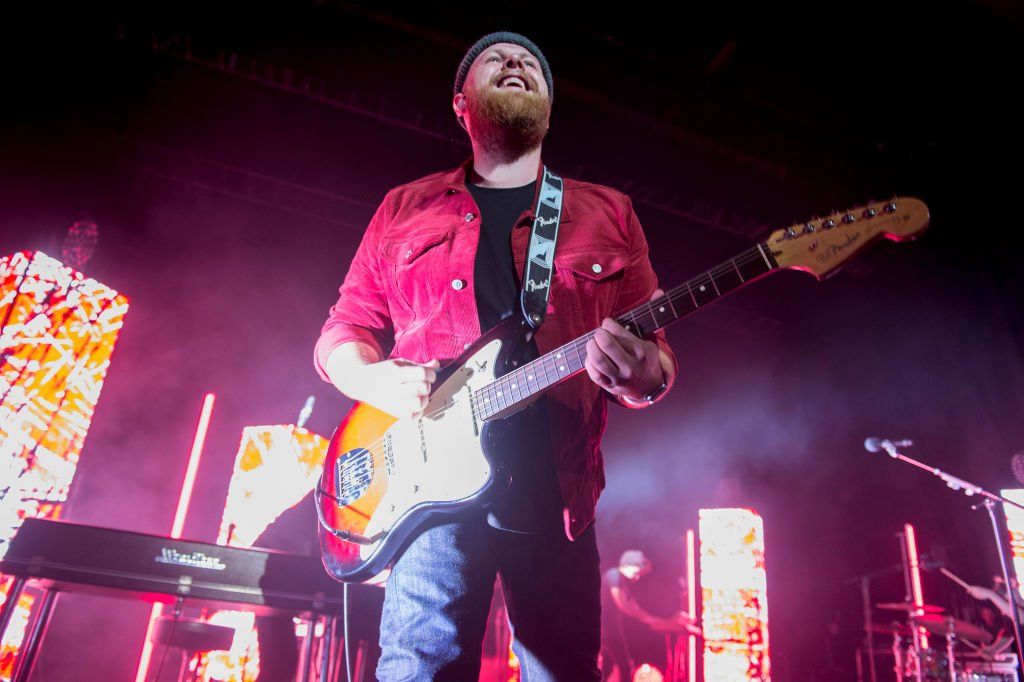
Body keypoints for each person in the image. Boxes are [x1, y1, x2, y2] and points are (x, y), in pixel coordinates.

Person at [314, 31, 677, 680]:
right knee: (419, 670)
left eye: (531, 62)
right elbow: (345, 329)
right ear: (462, 105)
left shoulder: (609, 212)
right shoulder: (404, 207)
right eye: (496, 60)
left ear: (548, 108)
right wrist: (372, 378)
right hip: (427, 491)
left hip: (558, 489)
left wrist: (644, 376)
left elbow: (657, 359)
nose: (516, 62)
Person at [600, 551, 699, 681]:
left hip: (609, 630)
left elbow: (632, 606)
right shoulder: (614, 575)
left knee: (612, 667)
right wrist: (654, 620)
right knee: (624, 666)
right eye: (638, 573)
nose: (637, 578)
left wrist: (658, 621)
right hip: (607, 630)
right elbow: (625, 604)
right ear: (629, 564)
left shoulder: (618, 579)